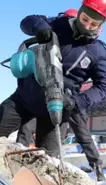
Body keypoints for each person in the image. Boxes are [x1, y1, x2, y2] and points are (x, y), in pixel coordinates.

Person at [0, 0, 106, 181]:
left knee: (45, 168)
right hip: (24, 99)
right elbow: (27, 21)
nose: (87, 25)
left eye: (93, 24)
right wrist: (39, 27)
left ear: (102, 24)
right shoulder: (59, 24)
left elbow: (104, 86)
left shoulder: (98, 52)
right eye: (85, 18)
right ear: (80, 11)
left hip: (56, 112)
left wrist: (76, 102)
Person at [15, 9, 79, 149]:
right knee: (22, 141)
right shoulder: (53, 26)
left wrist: (74, 100)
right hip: (35, 95)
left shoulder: (80, 51)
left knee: (50, 156)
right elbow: (28, 20)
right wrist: (40, 27)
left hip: (60, 102)